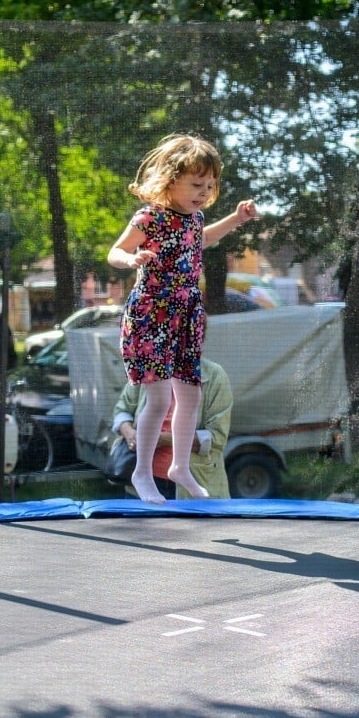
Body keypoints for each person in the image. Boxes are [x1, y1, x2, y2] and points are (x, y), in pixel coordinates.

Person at [108, 132, 257, 504]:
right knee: (157, 399)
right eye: (196, 184)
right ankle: (143, 471)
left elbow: (200, 239)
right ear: (171, 180)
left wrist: (235, 220)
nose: (204, 192)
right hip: (152, 314)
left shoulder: (193, 219)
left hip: (186, 315)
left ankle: (179, 467)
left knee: (190, 396)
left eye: (209, 185)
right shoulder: (150, 217)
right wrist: (131, 260)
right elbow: (116, 250)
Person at [112, 357, 233, 499]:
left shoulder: (214, 375)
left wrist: (165, 439)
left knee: (184, 401)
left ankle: (179, 469)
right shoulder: (149, 366)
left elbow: (217, 438)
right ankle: (143, 473)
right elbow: (121, 411)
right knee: (159, 404)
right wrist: (130, 433)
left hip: (192, 485)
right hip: (142, 487)